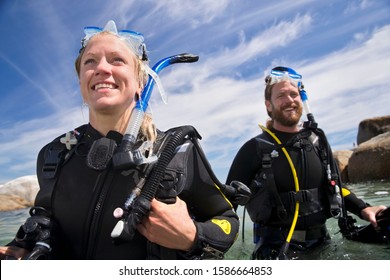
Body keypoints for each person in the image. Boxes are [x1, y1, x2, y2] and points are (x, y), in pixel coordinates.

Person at [0, 20, 239, 260]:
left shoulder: (177, 152)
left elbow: (227, 220)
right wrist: (19, 249)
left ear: (140, 82)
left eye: (117, 60)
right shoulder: (54, 154)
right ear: (82, 81)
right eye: (90, 61)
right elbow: (43, 220)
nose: (102, 68)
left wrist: (192, 236)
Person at [226, 66, 387, 260]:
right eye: (281, 96)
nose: (289, 100)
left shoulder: (318, 142)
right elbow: (226, 203)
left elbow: (336, 187)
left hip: (322, 243)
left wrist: (364, 208)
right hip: (275, 250)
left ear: (301, 99)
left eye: (294, 94)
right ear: (268, 105)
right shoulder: (254, 149)